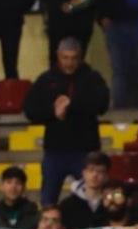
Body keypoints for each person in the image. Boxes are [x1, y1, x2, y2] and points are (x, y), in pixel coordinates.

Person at [25, 38, 111, 203]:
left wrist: (71, 105)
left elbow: (102, 104)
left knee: (92, 199)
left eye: (73, 58)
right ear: (58, 56)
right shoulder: (46, 79)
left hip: (86, 152)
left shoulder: (92, 78)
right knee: (48, 200)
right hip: (54, 152)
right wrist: (53, 111)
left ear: (80, 57)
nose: (69, 63)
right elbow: (30, 110)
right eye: (65, 58)